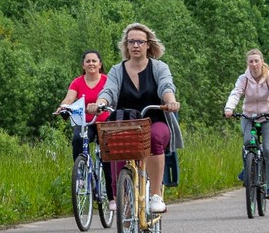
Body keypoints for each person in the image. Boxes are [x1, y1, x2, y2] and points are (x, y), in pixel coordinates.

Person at [87, 23, 182, 214]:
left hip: (155, 121)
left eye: (140, 41)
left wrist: (170, 101)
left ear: (148, 45)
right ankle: (123, 195)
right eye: (131, 42)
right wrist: (100, 103)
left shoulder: (159, 67)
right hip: (126, 123)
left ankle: (156, 195)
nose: (136, 45)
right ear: (126, 45)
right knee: (115, 145)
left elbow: (166, 87)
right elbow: (109, 90)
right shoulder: (117, 70)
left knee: (155, 137)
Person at [55, 50, 114, 206]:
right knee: (78, 139)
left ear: (100, 64)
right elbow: (69, 97)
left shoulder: (107, 81)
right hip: (85, 122)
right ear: (83, 65)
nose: (91, 64)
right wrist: (64, 106)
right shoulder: (77, 82)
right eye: (88, 61)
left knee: (108, 156)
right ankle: (80, 174)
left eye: (94, 61)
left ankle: (111, 196)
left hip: (104, 122)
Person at [224, 49, 269, 200]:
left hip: (268, 117)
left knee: (268, 150)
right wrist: (229, 108)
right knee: (246, 142)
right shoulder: (244, 78)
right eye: (251, 61)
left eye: (257, 61)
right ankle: (248, 171)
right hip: (249, 116)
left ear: (262, 61)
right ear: (247, 63)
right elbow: (236, 93)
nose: (254, 64)